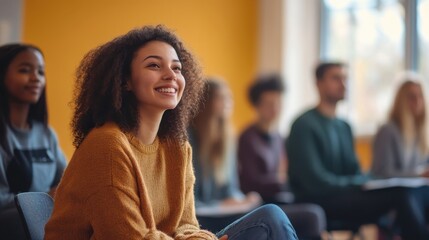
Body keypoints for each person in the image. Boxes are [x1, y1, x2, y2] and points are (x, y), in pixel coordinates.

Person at [44, 25, 297, 240]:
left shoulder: (177, 147)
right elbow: (128, 237)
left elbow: (186, 226)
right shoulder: (107, 144)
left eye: (176, 68)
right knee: (269, 220)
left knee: (271, 215)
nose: (170, 75)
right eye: (154, 65)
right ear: (125, 82)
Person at [287, 62, 429, 240]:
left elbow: (354, 171)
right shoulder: (303, 125)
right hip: (319, 199)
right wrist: (356, 183)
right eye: (336, 78)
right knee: (401, 194)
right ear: (318, 83)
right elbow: (315, 183)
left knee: (418, 192)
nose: (343, 84)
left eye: (345, 78)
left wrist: (363, 181)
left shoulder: (344, 126)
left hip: (345, 195)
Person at [238, 74, 327, 240]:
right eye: (269, 104)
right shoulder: (248, 137)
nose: (275, 108)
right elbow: (249, 183)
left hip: (281, 199)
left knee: (316, 206)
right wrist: (283, 181)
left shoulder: (279, 137)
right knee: (313, 215)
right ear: (257, 105)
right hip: (260, 205)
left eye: (278, 103)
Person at [0, 43, 67, 240]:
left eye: (40, 71)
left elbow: (68, 180)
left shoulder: (46, 133)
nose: (35, 78)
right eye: (24, 70)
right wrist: (43, 198)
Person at [189, 78, 262, 232]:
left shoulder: (228, 139)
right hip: (198, 217)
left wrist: (241, 199)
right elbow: (189, 201)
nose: (228, 102)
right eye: (221, 97)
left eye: (229, 97)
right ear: (206, 102)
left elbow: (231, 189)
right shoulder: (189, 138)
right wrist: (221, 205)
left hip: (223, 213)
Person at [372, 79, 429, 178]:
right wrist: (419, 175)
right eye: (412, 97)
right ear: (401, 101)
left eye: (420, 96)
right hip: (392, 192)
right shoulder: (388, 131)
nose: (418, 101)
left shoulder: (420, 133)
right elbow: (383, 173)